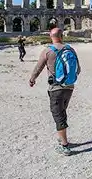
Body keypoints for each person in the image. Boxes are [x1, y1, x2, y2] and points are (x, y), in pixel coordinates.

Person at [29, 27, 81, 156]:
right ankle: (62, 138)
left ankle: (65, 146)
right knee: (62, 112)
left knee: (58, 115)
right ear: (62, 36)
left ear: (50, 37)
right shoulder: (70, 49)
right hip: (69, 87)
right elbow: (78, 69)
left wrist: (32, 79)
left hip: (56, 88)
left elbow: (38, 68)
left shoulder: (48, 51)